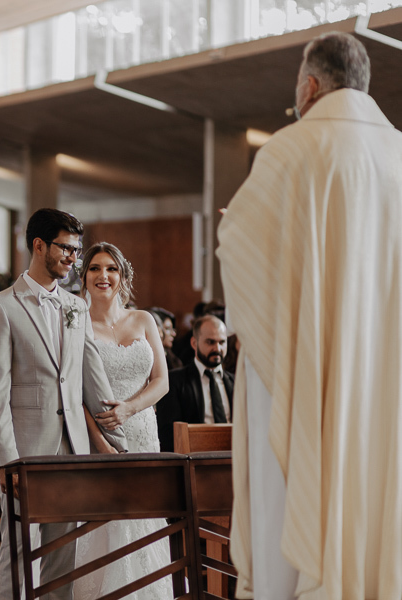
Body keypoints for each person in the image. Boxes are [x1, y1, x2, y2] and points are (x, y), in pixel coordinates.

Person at [217, 31, 402, 599]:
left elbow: (241, 248)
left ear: (310, 85)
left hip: (303, 363)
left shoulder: (291, 149)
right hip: (386, 371)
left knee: (293, 483)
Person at [0, 208, 126, 600]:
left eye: (77, 251)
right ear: (39, 245)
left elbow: (91, 379)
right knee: (19, 549)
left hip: (71, 447)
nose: (73, 259)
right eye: (66, 249)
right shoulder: (1, 308)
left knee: (64, 552)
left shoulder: (77, 308)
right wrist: (7, 461)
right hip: (23, 450)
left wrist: (118, 437)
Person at [73, 242, 170, 599]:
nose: (104, 275)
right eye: (95, 268)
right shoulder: (75, 321)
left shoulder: (143, 320)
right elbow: (70, 391)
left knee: (144, 519)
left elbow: (162, 380)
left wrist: (129, 408)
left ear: (122, 276)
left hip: (144, 432)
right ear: (84, 277)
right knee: (106, 523)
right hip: (100, 436)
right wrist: (99, 440)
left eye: (111, 268)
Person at [155, 315, 233, 452]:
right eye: (210, 342)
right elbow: (167, 433)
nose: (217, 348)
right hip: (193, 459)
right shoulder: (174, 381)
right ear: (194, 343)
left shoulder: (236, 382)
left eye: (222, 342)